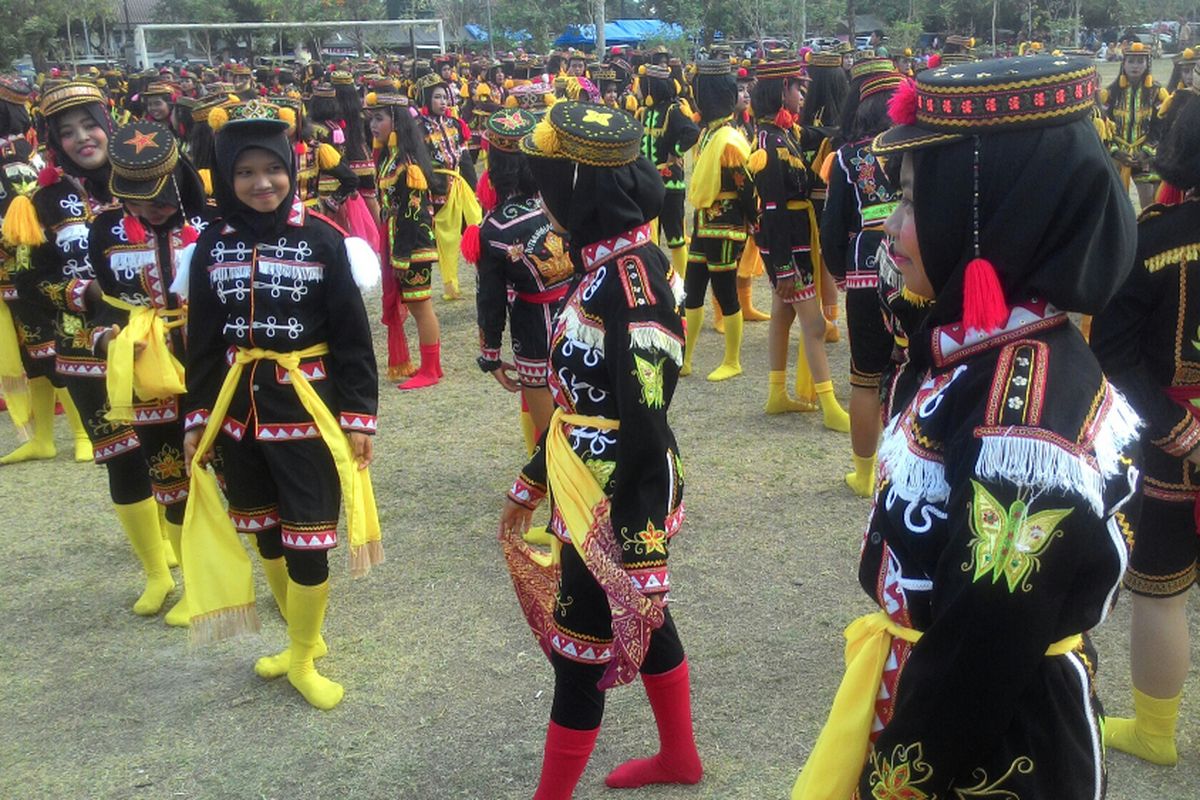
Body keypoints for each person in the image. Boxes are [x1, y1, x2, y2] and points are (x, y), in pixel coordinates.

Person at [793, 56, 1140, 799]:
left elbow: (982, 650)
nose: (891, 226)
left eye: (916, 202)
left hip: (992, 751)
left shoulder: (1022, 417)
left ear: (996, 215)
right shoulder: (982, 349)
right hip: (949, 707)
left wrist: (890, 781)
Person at [499, 101, 701, 799]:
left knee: (577, 654)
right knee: (646, 623)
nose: (538, 197)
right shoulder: (607, 265)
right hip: (584, 479)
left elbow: (644, 423)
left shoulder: (632, 284)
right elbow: (581, 402)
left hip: (616, 502)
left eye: (546, 182)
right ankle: (680, 757)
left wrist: (641, 544)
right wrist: (535, 475)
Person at [182, 99, 381, 709]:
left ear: (291, 168)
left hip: (307, 409)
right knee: (263, 529)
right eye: (244, 172)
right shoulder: (211, 243)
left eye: (271, 168)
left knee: (308, 538)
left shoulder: (325, 240)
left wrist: (358, 416)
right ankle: (301, 636)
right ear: (225, 177)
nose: (260, 183)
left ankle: (302, 654)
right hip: (236, 412)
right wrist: (197, 419)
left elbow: (353, 335)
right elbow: (205, 339)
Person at [10, 81, 180, 616]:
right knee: (123, 463)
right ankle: (156, 573)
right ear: (55, 143)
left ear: (110, 124)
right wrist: (76, 293)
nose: (83, 138)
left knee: (174, 459)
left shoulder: (151, 173)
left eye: (90, 124)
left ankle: (191, 565)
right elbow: (28, 280)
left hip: (156, 343)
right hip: (87, 351)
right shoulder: (43, 201)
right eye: (68, 132)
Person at [1090, 96, 1200, 766]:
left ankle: (1157, 732)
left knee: (1162, 592)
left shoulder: (1155, 234)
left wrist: (1175, 426)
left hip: (1170, 445)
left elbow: (1113, 352)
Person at [89, 119, 212, 626]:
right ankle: (193, 583)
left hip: (214, 367)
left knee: (239, 475)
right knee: (170, 478)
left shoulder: (216, 223)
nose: (147, 210)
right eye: (135, 200)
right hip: (149, 375)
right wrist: (108, 336)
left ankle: (260, 568)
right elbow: (103, 304)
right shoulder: (105, 229)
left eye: (159, 198)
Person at [748, 58, 850, 430]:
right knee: (816, 326)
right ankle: (829, 406)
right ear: (781, 92)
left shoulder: (779, 135)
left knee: (782, 315)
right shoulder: (771, 145)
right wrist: (783, 266)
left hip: (793, 241)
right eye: (797, 88)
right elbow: (771, 210)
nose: (801, 94)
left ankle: (777, 393)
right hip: (790, 246)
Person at [462, 107, 571, 448]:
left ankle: (554, 483)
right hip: (582, 313)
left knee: (550, 434)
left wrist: (490, 355)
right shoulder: (565, 198)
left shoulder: (492, 229)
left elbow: (490, 301)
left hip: (534, 329)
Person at [820, 72, 905, 495]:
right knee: (914, 367)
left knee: (865, 376)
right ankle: (909, 462)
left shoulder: (846, 157)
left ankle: (865, 474)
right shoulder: (920, 145)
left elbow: (832, 226)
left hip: (865, 274)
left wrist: (840, 274)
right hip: (916, 273)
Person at [0, 75, 91, 464]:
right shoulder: (27, 150)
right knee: (29, 356)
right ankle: (42, 437)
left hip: (28, 259)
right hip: (12, 270)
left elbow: (18, 209)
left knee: (48, 349)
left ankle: (82, 431)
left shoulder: (15, 155)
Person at [680, 60, 755, 381]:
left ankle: (733, 359)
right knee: (692, 290)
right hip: (702, 223)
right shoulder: (710, 133)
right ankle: (686, 357)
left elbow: (746, 186)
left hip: (725, 226)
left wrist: (754, 221)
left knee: (726, 292)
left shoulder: (728, 139)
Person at [366, 90, 444, 391]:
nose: (374, 125)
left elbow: (412, 215)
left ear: (396, 122)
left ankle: (431, 369)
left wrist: (401, 256)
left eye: (379, 119)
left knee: (420, 305)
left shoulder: (407, 165)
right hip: (401, 240)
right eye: (372, 119)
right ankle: (430, 366)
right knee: (417, 305)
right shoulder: (390, 159)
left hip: (413, 245)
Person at [417, 70, 480, 301]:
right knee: (446, 238)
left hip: (460, 186)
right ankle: (450, 283)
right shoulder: (418, 128)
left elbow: (464, 160)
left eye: (445, 97)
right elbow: (421, 164)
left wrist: (473, 189)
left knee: (475, 227)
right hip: (437, 189)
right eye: (436, 97)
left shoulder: (455, 123)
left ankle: (483, 273)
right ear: (425, 99)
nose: (442, 102)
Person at [1102, 41, 1169, 208]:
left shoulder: (1157, 93)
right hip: (1117, 153)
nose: (1135, 66)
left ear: (1147, 64)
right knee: (1112, 204)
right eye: (1131, 61)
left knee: (1149, 205)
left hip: (1145, 154)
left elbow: (1159, 127)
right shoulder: (1109, 94)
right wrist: (1116, 152)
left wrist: (1145, 151)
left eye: (1140, 62)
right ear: (1123, 64)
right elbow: (1104, 127)